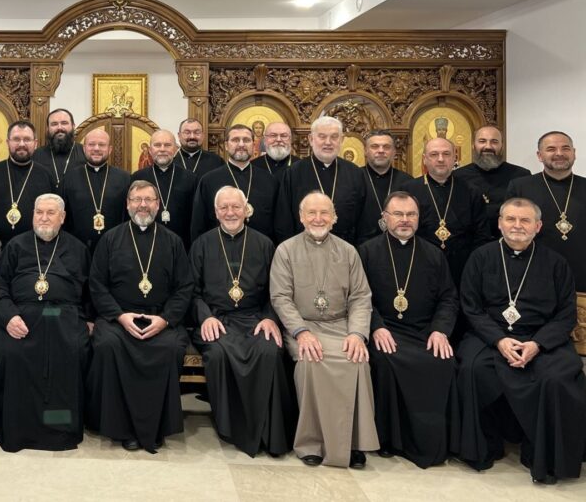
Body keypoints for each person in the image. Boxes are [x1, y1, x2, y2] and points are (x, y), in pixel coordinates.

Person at [456, 198, 586, 484]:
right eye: (511, 219)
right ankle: (484, 448)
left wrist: (537, 344)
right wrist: (499, 340)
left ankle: (543, 455)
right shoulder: (480, 257)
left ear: (538, 226)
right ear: (500, 223)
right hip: (491, 334)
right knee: (472, 369)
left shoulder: (556, 263)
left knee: (556, 378)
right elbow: (471, 308)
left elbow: (565, 315)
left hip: (541, 338)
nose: (517, 226)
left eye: (525, 220)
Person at [270, 191, 379, 468]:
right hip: (303, 326)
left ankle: (354, 443)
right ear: (301, 217)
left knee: (357, 361)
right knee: (311, 361)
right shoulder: (286, 250)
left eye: (324, 213)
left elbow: (360, 297)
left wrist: (357, 334)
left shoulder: (348, 251)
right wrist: (301, 332)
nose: (318, 219)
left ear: (334, 218)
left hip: (340, 326)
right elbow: (281, 297)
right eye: (312, 213)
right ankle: (312, 443)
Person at [87, 180, 194, 453]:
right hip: (119, 318)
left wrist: (166, 319)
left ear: (158, 205)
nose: (142, 205)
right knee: (108, 345)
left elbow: (184, 287)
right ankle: (121, 427)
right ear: (127, 204)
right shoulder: (110, 239)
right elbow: (97, 284)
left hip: (160, 317)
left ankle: (155, 427)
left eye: (148, 200)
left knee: (170, 347)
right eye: (137, 200)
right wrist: (119, 316)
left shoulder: (173, 241)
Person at [190, 186, 296, 458]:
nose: (230, 212)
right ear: (215, 213)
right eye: (224, 208)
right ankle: (233, 428)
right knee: (218, 353)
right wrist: (205, 317)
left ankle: (269, 432)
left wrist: (270, 318)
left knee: (270, 350)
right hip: (217, 318)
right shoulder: (201, 244)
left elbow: (277, 291)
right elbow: (191, 291)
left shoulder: (265, 244)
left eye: (236, 207)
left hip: (255, 318)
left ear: (246, 210)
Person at [357, 191, 459, 468]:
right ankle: (390, 440)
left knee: (443, 361)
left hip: (424, 331)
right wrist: (375, 327)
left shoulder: (433, 254)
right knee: (384, 360)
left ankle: (433, 442)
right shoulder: (366, 252)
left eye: (411, 214)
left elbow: (448, 298)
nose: (405, 220)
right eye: (398, 214)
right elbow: (359, 297)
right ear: (385, 217)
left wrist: (440, 330)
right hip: (385, 329)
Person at [0, 193, 92, 452]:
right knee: (10, 352)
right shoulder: (15, 246)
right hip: (21, 315)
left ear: (63, 217)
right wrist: (9, 317)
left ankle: (59, 427)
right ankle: (18, 428)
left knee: (72, 351)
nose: (43, 218)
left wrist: (91, 319)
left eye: (50, 213)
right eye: (39, 212)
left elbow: (90, 291)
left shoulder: (78, 248)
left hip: (62, 315)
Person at [403, 138, 491, 293]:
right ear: (424, 159)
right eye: (434, 154)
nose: (440, 159)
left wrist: (474, 268)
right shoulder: (408, 191)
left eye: (446, 154)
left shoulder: (471, 191)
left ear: (455, 158)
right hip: (420, 265)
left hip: (463, 269)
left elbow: (482, 235)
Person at [506, 131, 585, 291]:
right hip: (535, 271)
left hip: (582, 272)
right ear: (539, 155)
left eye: (565, 148)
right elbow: (510, 232)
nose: (559, 153)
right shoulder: (520, 187)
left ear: (574, 153)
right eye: (551, 149)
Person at [275, 116, 367, 244]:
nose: (328, 142)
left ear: (341, 140)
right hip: (302, 247)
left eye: (334, 137)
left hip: (344, 248)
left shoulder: (355, 173)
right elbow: (284, 219)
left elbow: (363, 220)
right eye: (322, 137)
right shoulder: (293, 173)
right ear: (311, 139)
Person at [191, 124, 279, 242]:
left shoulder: (269, 180)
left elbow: (278, 223)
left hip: (261, 248)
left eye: (246, 140)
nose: (241, 144)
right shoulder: (208, 180)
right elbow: (198, 225)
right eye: (235, 140)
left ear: (253, 146)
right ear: (226, 146)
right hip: (217, 248)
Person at [0, 120, 57, 245]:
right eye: (16, 139)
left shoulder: (45, 175)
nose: (21, 144)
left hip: (35, 246)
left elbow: (54, 214)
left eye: (27, 139)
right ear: (8, 143)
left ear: (35, 143)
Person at [60, 128, 130, 252]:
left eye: (102, 145)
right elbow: (62, 217)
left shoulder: (124, 178)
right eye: (91, 144)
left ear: (110, 149)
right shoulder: (69, 178)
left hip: (115, 248)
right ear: (84, 148)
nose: (96, 148)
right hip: (77, 249)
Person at [454, 125, 530, 240]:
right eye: (482, 141)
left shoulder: (521, 175)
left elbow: (527, 213)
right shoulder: (457, 176)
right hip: (469, 243)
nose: (488, 146)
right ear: (473, 145)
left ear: (502, 146)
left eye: (494, 142)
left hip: (509, 241)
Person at [130, 129, 197, 248]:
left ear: (176, 149)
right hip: (145, 243)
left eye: (167, 145)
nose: (162, 149)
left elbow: (196, 217)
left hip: (182, 244)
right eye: (157, 145)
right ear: (150, 150)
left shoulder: (190, 178)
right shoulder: (138, 177)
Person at [357, 130, 411, 243]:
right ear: (365, 151)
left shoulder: (407, 181)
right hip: (361, 245)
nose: (381, 151)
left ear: (394, 152)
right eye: (375, 146)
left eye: (386, 147)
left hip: (398, 244)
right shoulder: (354, 178)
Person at [32, 109, 85, 186]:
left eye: (64, 123)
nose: (59, 127)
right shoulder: (36, 155)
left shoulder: (85, 152)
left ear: (73, 126)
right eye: (54, 124)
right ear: (47, 129)